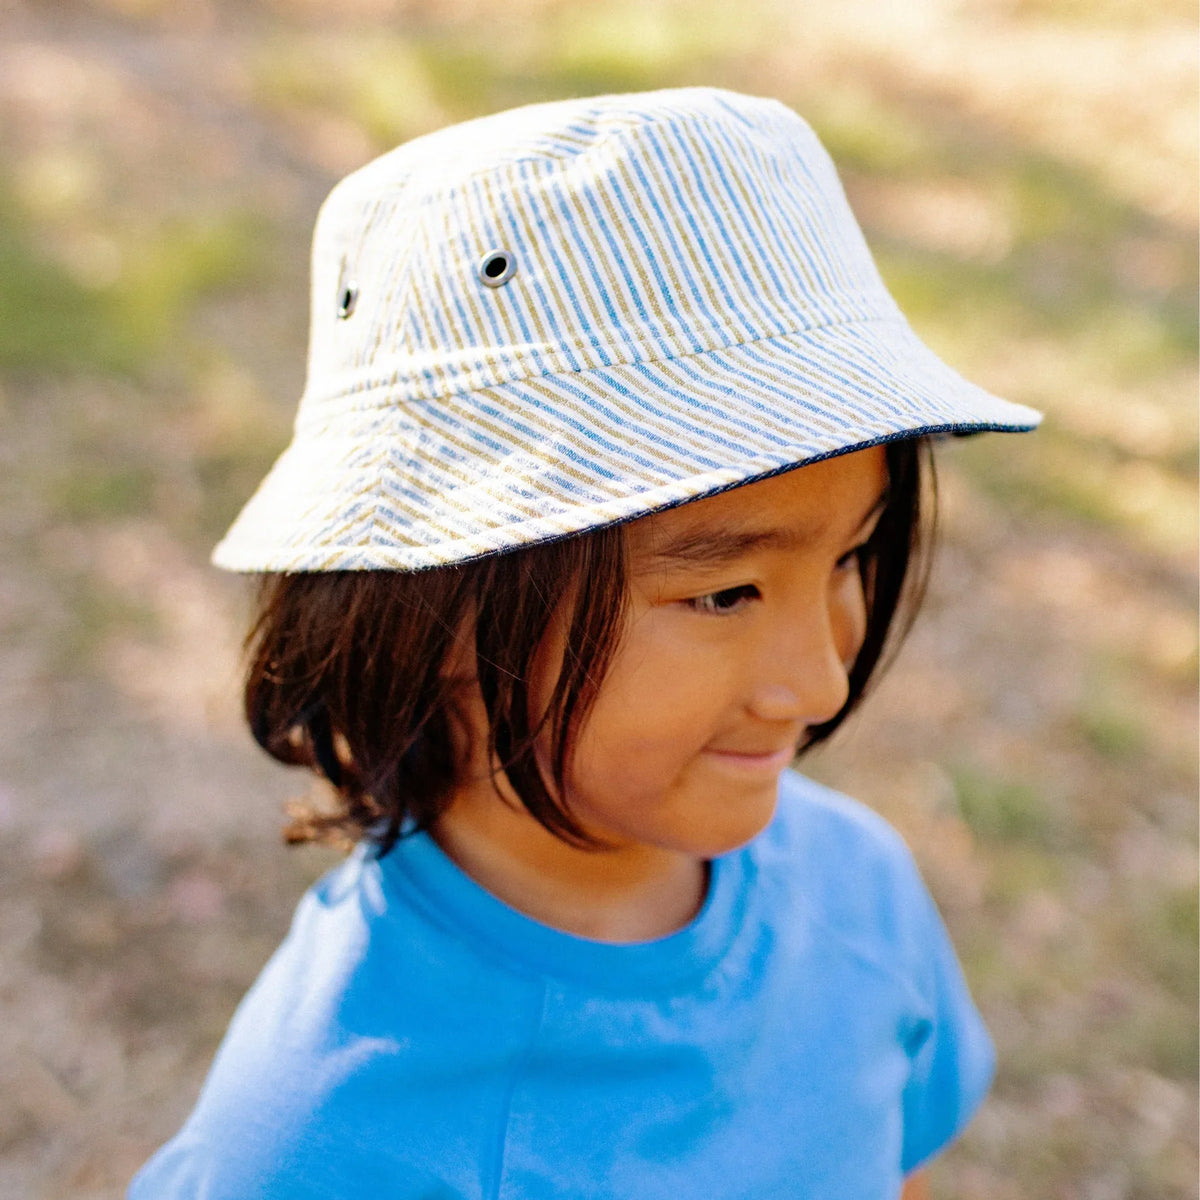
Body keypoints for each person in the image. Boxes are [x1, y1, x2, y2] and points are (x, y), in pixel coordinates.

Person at [130, 87, 1040, 1199]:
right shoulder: (323, 1142)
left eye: (851, 557)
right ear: (431, 610)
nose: (819, 681)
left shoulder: (857, 888)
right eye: (727, 594)